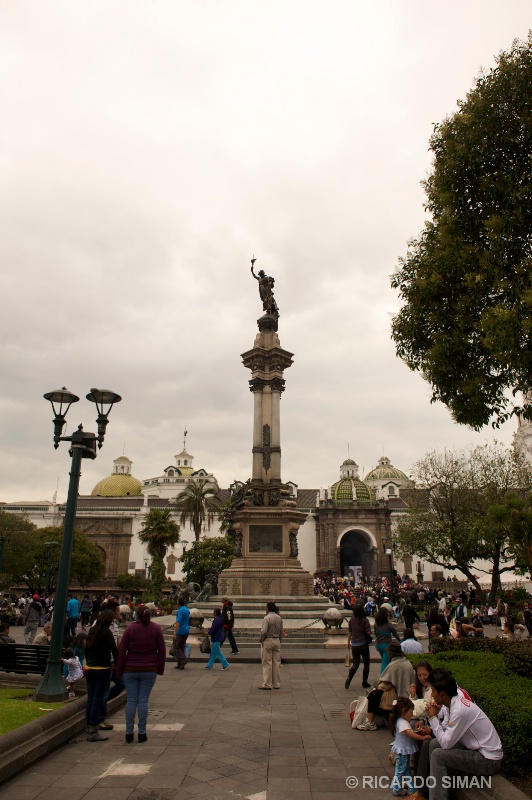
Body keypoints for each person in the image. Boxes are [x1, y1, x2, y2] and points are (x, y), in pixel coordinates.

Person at [420, 667, 503, 800]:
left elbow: (446, 744)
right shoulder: (453, 703)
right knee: (435, 744)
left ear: (442, 694)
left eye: (433, 691)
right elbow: (445, 736)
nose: (432, 695)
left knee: (438, 755)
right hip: (477, 752)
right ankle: (443, 793)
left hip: (487, 760)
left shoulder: (459, 710)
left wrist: (433, 718)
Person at [115, 604, 166, 743]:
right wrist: (160, 668)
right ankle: (142, 733)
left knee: (131, 700)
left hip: (130, 668)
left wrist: (119, 670)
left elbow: (122, 651)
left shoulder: (130, 628)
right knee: (143, 700)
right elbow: (162, 651)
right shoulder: (155, 628)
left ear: (136, 615)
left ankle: (129, 733)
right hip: (149, 668)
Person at [357, 641, 415, 731]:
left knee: (373, 695)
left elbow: (385, 681)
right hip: (405, 693)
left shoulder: (395, 664)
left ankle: (370, 721)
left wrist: (377, 686)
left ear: (391, 653)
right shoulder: (405, 661)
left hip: (398, 696)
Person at [84, 610, 118, 742]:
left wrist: (89, 662)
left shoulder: (92, 631)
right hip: (102, 669)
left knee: (91, 699)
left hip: (90, 668)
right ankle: (93, 730)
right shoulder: (106, 633)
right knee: (97, 700)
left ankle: (88, 727)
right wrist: (116, 663)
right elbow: (114, 650)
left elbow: (86, 649)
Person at [390, 697, 431, 796]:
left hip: (404, 751)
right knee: (400, 771)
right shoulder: (403, 723)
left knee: (406, 770)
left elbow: (409, 732)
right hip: (402, 751)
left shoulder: (400, 721)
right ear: (404, 711)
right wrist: (422, 737)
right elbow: (409, 733)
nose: (412, 714)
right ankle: (396, 789)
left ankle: (411, 788)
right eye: (411, 711)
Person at [345, 603, 372, 689]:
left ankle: (349, 678)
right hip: (363, 644)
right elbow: (368, 632)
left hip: (355, 644)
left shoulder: (351, 620)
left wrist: (348, 642)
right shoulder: (365, 620)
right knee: (366, 663)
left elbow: (350, 632)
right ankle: (364, 682)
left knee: (355, 664)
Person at [258, 601, 282, 689]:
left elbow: (264, 631)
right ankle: (276, 683)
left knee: (267, 662)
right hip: (276, 640)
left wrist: (261, 639)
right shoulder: (279, 618)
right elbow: (280, 631)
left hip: (268, 640)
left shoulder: (266, 618)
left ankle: (267, 684)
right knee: (276, 663)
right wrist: (280, 641)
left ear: (267, 608)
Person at [374, 608, 401, 673]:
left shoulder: (376, 624)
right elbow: (395, 633)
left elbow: (376, 634)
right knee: (385, 664)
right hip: (386, 646)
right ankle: (382, 679)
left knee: (385, 661)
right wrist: (400, 641)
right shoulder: (389, 624)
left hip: (379, 645)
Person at [173, 597, 190, 670]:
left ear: (178, 603)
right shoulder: (186, 609)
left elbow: (178, 622)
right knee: (181, 647)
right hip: (186, 630)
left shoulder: (180, 611)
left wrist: (175, 632)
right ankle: (180, 664)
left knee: (177, 647)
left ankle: (184, 659)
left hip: (181, 631)